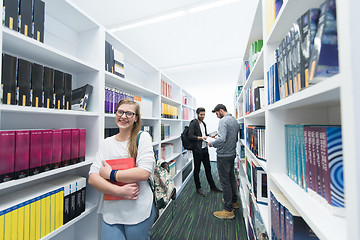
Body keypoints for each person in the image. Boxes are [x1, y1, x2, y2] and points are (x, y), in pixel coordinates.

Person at [88, 98, 156, 240]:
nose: (123, 116)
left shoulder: (143, 137)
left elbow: (144, 172)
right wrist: (120, 191)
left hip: (138, 209)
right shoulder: (106, 143)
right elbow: (93, 178)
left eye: (129, 113)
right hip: (111, 211)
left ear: (136, 118)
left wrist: (111, 174)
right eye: (120, 112)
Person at [208, 104, 240, 219]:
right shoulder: (234, 121)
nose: (217, 116)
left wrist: (211, 143)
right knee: (231, 178)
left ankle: (228, 209)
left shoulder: (223, 121)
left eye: (217, 113)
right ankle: (234, 201)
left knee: (225, 182)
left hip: (223, 155)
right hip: (231, 154)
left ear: (221, 110)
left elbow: (221, 139)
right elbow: (233, 138)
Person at [188, 107, 222, 197]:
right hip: (197, 150)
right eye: (201, 115)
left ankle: (213, 186)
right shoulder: (193, 123)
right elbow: (190, 136)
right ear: (197, 114)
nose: (203, 116)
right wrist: (202, 138)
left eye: (204, 115)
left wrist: (211, 136)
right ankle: (198, 188)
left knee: (208, 168)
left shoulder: (203, 123)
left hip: (204, 149)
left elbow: (204, 135)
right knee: (197, 169)